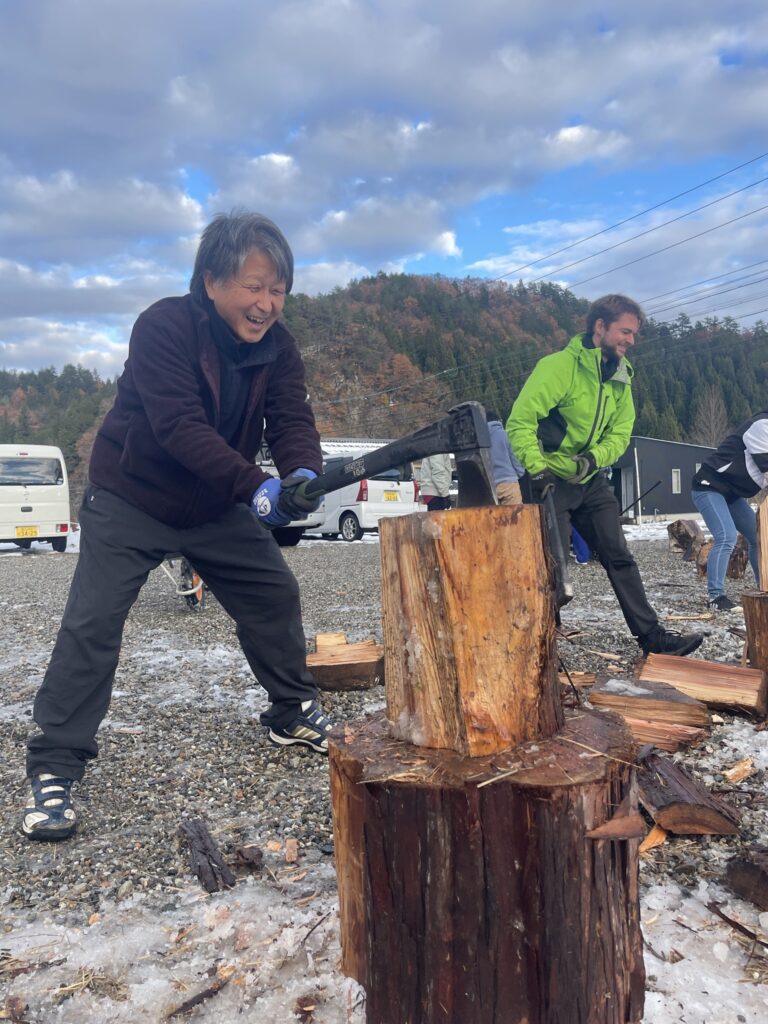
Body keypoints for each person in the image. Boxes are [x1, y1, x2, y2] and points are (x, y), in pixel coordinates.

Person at [22, 211, 335, 843]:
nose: (266, 304)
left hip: (212, 504)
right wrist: (256, 486)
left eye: (277, 290)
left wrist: (302, 473)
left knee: (274, 593)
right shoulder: (163, 326)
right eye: (253, 286)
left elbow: (290, 417)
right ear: (212, 280)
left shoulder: (280, 345)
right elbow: (178, 428)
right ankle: (55, 762)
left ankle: (289, 710)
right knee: (94, 620)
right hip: (132, 495)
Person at [507, 293, 703, 658]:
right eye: (625, 332)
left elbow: (621, 433)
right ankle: (536, 645)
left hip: (590, 478)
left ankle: (652, 639)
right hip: (549, 476)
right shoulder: (558, 367)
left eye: (634, 334)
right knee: (549, 565)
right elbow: (520, 422)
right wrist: (537, 468)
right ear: (600, 327)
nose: (630, 340)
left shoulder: (621, 375)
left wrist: (594, 458)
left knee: (619, 555)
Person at [691, 411, 767, 610]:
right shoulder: (761, 426)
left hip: (733, 495)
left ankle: (764, 588)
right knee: (726, 537)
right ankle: (716, 598)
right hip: (708, 486)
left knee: (759, 538)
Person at [485, 408, 525, 505]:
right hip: (509, 483)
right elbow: (515, 458)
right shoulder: (505, 435)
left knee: (496, 518)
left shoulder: (480, 439)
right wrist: (520, 473)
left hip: (489, 487)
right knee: (515, 517)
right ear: (498, 421)